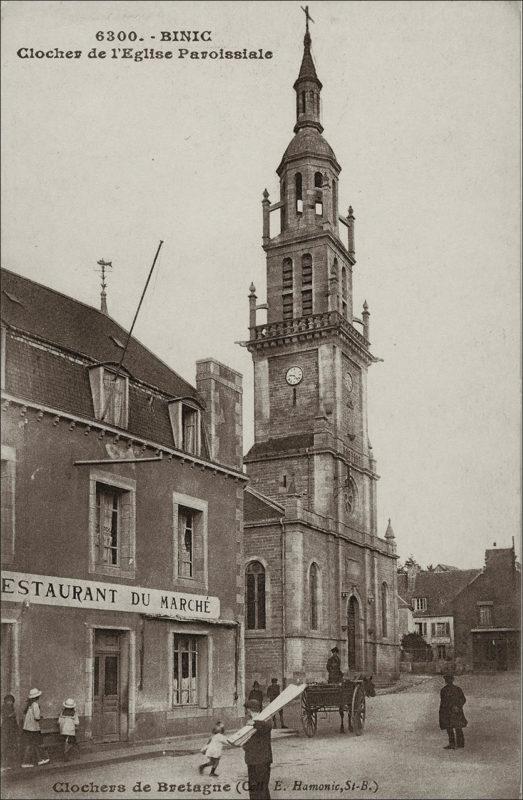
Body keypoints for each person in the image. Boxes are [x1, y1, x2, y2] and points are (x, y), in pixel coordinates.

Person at [242, 699, 273, 800]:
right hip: (251, 760)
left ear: (250, 710)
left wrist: (254, 723)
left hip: (262, 761)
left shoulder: (265, 719)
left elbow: (267, 726)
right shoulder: (249, 721)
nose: (247, 713)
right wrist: (244, 745)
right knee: (253, 789)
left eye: (247, 711)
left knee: (262, 789)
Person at [21, 688, 50, 768]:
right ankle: (37, 760)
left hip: (27, 729)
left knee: (30, 745)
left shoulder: (29, 705)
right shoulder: (35, 705)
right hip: (34, 729)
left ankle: (37, 760)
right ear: (38, 697)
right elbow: (37, 717)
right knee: (39, 744)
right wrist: (41, 717)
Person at [439, 673, 467, 749]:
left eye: (448, 679)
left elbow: (444, 702)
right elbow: (463, 699)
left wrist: (456, 707)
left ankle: (454, 744)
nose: (448, 681)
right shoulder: (457, 689)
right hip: (454, 711)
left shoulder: (444, 690)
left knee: (451, 728)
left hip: (450, 712)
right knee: (456, 727)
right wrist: (457, 706)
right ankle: (459, 744)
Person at [1, 694, 19, 770]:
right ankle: (4, 763)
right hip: (5, 730)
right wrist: (12, 715)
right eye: (8, 701)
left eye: (11, 701)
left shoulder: (12, 708)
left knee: (11, 746)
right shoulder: (3, 708)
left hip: (12, 730)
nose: (10, 702)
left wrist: (17, 729)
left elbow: (14, 721)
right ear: (5, 701)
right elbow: (5, 717)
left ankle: (9, 763)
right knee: (5, 746)